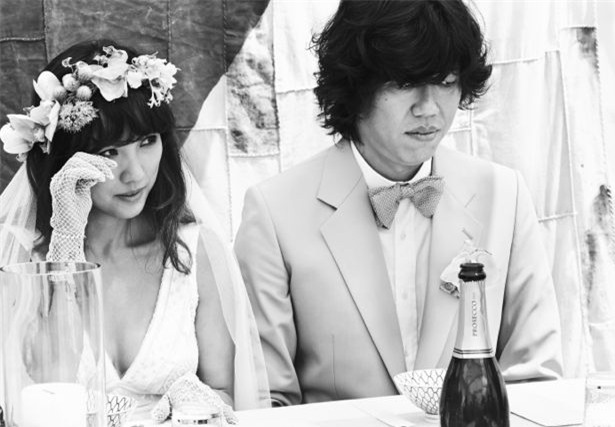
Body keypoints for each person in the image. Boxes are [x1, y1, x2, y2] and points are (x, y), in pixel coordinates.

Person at [234, 0, 563, 407]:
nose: (429, 109)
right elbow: (265, 403)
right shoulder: (274, 212)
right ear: (355, 87)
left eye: (446, 82)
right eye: (405, 84)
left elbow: (535, 380)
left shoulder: (503, 195)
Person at [0, 39, 270, 419]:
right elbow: (49, 392)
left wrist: (193, 404)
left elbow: (227, 393)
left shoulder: (196, 252)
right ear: (63, 158)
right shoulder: (21, 262)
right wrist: (66, 241)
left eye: (147, 142)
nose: (136, 174)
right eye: (109, 152)